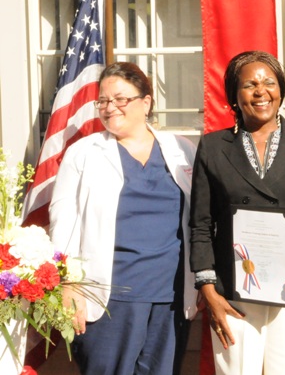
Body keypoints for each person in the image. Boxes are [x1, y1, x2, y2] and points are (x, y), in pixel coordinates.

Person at [49, 62, 198, 375]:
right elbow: (63, 223)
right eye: (103, 101)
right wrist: (67, 284)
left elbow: (199, 218)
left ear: (146, 102)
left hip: (170, 296)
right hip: (108, 299)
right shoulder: (83, 153)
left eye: (120, 99)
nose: (109, 107)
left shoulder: (182, 150)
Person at [189, 50, 285, 375]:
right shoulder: (213, 147)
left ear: (281, 89)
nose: (261, 91)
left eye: (269, 82)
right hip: (233, 291)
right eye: (249, 85)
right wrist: (208, 290)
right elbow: (200, 223)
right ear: (234, 96)